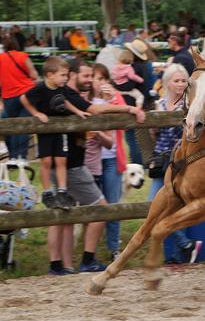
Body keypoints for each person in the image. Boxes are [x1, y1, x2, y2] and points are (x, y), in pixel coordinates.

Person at [45, 61, 145, 275]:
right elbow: (97, 108)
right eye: (86, 75)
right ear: (72, 75)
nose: (89, 80)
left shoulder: (59, 93)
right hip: (71, 164)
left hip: (56, 161)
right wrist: (129, 107)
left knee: (62, 215)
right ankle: (87, 261)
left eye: (92, 76)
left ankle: (60, 266)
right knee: (101, 208)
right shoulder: (69, 94)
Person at [146, 64, 202, 261]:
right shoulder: (159, 105)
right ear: (167, 83)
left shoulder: (189, 105)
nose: (180, 84)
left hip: (179, 162)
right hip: (161, 162)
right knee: (152, 204)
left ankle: (181, 250)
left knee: (171, 206)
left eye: (183, 80)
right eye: (176, 80)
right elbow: (153, 133)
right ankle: (184, 245)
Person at [22, 57, 90, 210]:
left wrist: (78, 111)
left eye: (66, 75)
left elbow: (64, 101)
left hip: (60, 128)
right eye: (63, 75)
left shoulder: (62, 88)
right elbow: (24, 99)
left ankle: (62, 191)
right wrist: (36, 113)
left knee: (61, 160)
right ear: (50, 75)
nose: (65, 79)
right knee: (46, 161)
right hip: (46, 130)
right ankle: (47, 192)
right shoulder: (40, 88)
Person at [89, 64, 128, 259]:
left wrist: (112, 99)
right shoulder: (86, 100)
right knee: (94, 206)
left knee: (113, 204)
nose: (101, 83)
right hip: (92, 162)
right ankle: (91, 250)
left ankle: (114, 248)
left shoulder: (115, 97)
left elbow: (124, 118)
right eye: (98, 79)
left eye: (104, 79)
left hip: (112, 159)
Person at [0, 35, 38, 159]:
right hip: (27, 94)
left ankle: (13, 156)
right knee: (23, 126)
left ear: (4, 46)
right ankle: (21, 157)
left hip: (10, 96)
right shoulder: (23, 56)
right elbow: (34, 75)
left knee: (11, 126)